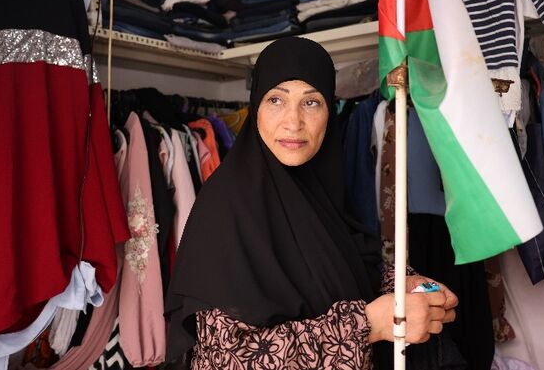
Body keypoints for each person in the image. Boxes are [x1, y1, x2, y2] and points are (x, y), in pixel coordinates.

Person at [165, 37, 458, 369]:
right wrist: (366, 325)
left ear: (328, 113)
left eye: (311, 102)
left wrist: (401, 285)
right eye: (276, 99)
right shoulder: (225, 209)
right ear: (256, 107)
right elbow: (229, 357)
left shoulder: (317, 193)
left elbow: (343, 269)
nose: (293, 122)